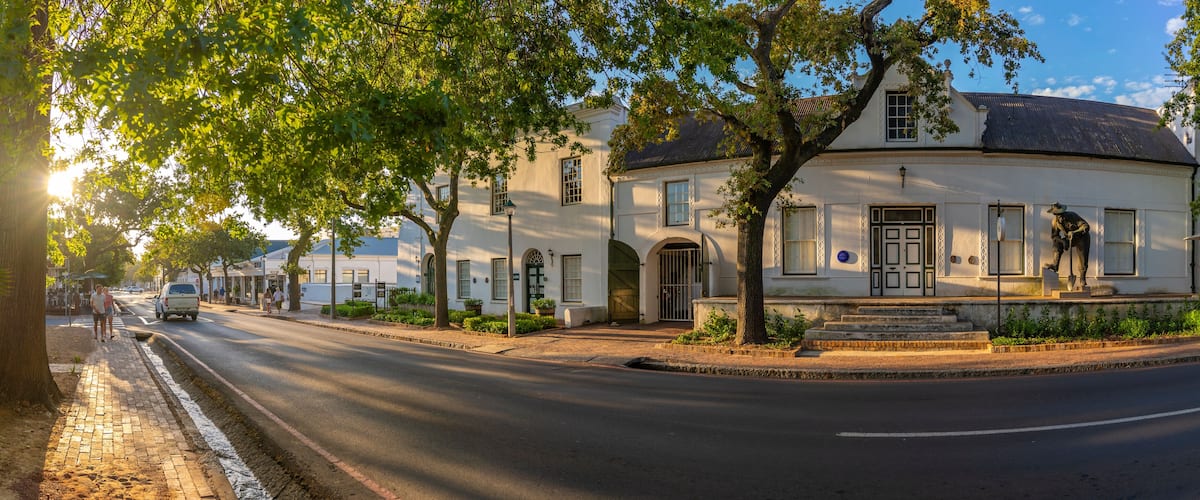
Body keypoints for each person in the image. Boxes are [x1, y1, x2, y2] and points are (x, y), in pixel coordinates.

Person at [1045, 202, 1091, 287]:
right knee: (1056, 244)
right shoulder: (1055, 222)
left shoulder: (1072, 216)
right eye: (1057, 215)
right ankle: (1055, 265)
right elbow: (1054, 236)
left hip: (1082, 237)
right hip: (1070, 238)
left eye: (1061, 214)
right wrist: (1063, 242)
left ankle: (1082, 278)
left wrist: (1074, 232)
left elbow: (1086, 226)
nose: (1060, 217)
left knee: (1083, 259)